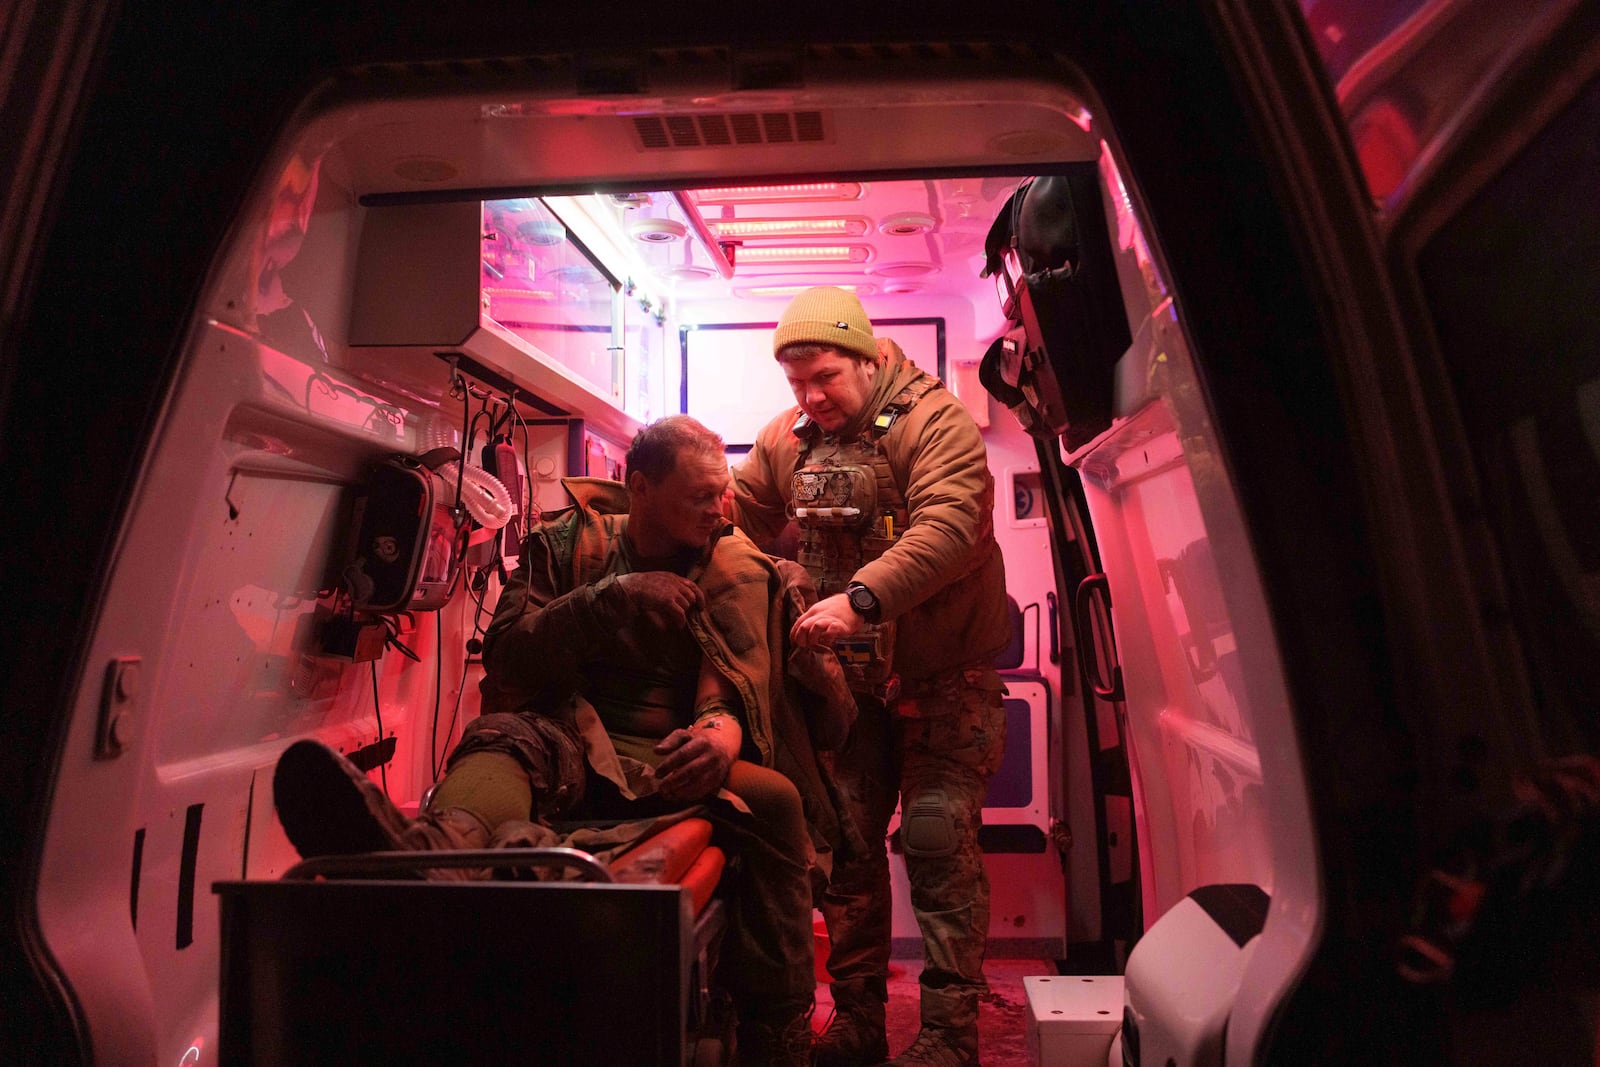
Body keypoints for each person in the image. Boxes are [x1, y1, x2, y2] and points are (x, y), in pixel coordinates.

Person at [272, 415, 842, 1066]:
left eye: (723, 493)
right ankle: (422, 857)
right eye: (699, 497)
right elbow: (511, 659)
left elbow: (733, 676)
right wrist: (610, 599)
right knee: (499, 741)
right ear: (641, 488)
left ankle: (778, 1031)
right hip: (569, 733)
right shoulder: (568, 546)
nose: (719, 509)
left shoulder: (731, 563)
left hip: (672, 756)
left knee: (777, 801)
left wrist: (719, 736)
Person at [730, 287, 1011, 1067]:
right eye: (796, 384)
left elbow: (951, 525)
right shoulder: (788, 440)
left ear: (871, 354)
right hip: (850, 691)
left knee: (933, 837)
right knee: (847, 849)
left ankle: (950, 1036)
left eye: (824, 376)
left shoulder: (934, 423)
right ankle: (857, 1022)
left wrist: (860, 601)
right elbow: (739, 515)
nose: (811, 397)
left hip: (942, 680)